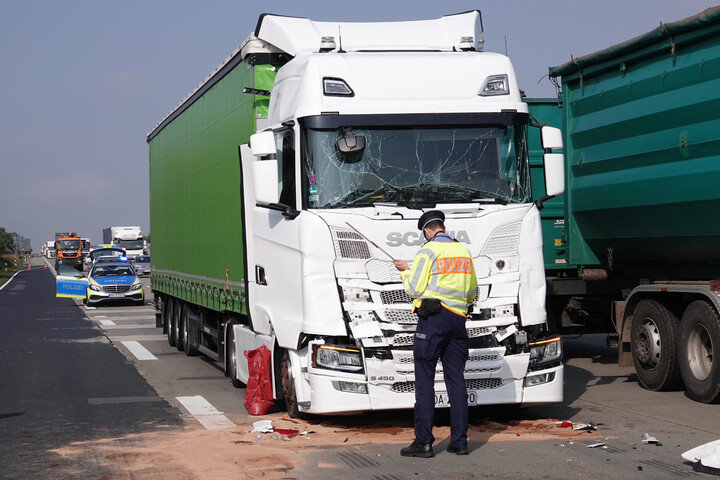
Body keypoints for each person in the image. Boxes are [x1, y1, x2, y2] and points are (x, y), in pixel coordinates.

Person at [393, 210, 477, 458]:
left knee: (425, 379)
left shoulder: (427, 251)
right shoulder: (463, 250)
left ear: (427, 231)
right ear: (443, 227)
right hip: (459, 320)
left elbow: (414, 288)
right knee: (456, 381)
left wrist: (404, 270)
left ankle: (424, 442)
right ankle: (460, 442)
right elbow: (472, 290)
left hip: (434, 321)